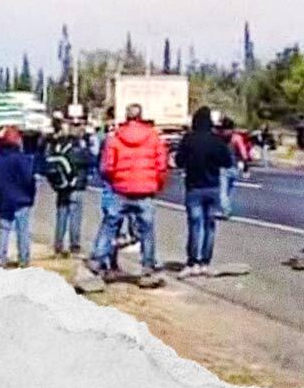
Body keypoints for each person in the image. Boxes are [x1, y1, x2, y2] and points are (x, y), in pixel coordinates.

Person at [88, 103, 168, 277]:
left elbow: (107, 166)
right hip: (145, 190)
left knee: (110, 224)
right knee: (146, 229)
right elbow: (161, 165)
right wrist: (157, 185)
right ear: (141, 117)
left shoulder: (115, 137)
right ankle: (147, 266)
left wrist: (114, 180)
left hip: (121, 189)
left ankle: (97, 259)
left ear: (126, 117)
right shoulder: (153, 137)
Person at [175, 107, 235, 277]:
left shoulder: (188, 139)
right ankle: (205, 262)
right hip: (212, 187)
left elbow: (179, 161)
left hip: (194, 187)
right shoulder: (216, 141)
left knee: (195, 225)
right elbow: (227, 161)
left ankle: (192, 261)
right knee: (210, 225)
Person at [0, 126, 36, 268]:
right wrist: (30, 195)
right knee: (23, 231)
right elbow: (29, 179)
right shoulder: (23, 159)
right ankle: (24, 259)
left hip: (3, 200)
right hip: (22, 199)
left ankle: (0, 258)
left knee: (4, 230)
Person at [45, 125, 92, 258]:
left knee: (61, 216)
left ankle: (58, 245)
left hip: (62, 186)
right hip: (77, 186)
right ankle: (74, 246)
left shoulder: (59, 147)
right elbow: (90, 160)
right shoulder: (81, 149)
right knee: (75, 218)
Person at [216, 117, 242, 219]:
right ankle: (227, 208)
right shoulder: (237, 138)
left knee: (222, 192)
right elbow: (243, 152)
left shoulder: (220, 138)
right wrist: (245, 165)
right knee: (228, 191)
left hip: (223, 168)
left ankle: (226, 211)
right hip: (234, 168)